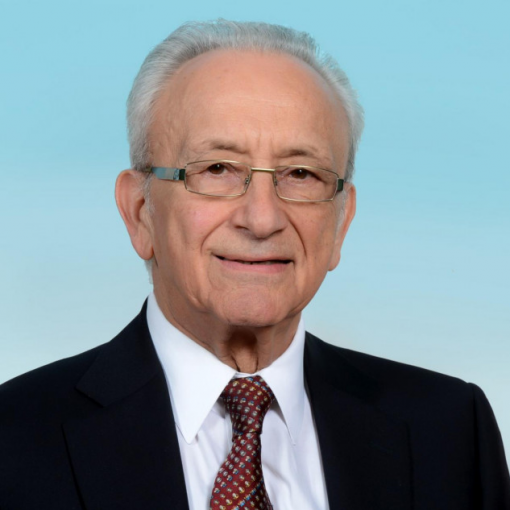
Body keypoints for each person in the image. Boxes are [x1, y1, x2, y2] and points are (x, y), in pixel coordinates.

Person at [0, 19, 509, 510]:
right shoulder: (15, 438)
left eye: (301, 174)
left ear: (341, 222)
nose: (262, 219)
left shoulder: (450, 431)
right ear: (140, 212)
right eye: (217, 169)